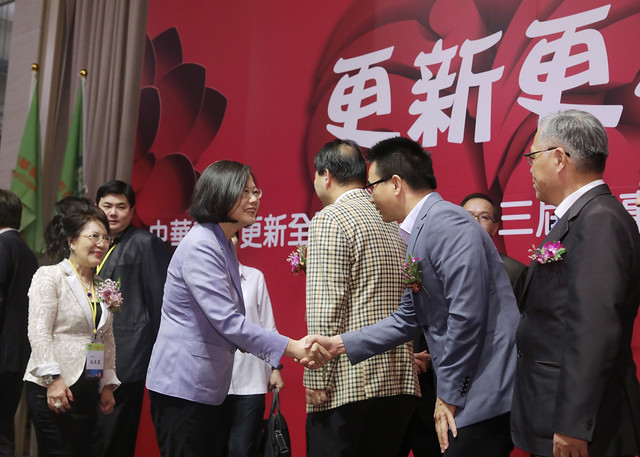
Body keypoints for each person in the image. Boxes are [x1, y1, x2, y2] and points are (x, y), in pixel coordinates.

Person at [304, 136, 519, 457]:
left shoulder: (446, 223)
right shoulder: (418, 230)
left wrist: (448, 395)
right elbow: (407, 318)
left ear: (395, 184)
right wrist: (339, 344)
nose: (369, 196)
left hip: (480, 388)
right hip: (465, 390)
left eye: (372, 186)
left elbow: (467, 315)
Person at [146, 160, 329, 457]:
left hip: (206, 385)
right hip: (183, 384)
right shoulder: (202, 244)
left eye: (256, 191)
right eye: (245, 191)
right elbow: (228, 321)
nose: (254, 199)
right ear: (220, 193)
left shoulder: (222, 242)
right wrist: (292, 347)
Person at [512, 110, 640, 457]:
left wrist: (573, 423)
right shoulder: (582, 217)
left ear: (558, 158)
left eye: (533, 157)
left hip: (582, 426)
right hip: (553, 409)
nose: (530, 168)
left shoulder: (599, 220)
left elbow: (593, 329)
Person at [304, 139, 419, 457]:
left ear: (326, 176)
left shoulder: (330, 218)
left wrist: (315, 374)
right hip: (399, 383)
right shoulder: (392, 221)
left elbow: (325, 307)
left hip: (348, 385)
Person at [24, 205, 120, 457]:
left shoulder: (103, 286)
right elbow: (39, 331)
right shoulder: (50, 276)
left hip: (89, 384)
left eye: (106, 238)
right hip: (56, 385)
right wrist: (53, 379)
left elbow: (105, 337)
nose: (101, 243)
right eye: (94, 236)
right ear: (72, 241)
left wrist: (107, 384)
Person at [92, 180, 170, 457]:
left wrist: (160, 355)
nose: (113, 213)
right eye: (107, 206)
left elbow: (159, 303)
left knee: (116, 434)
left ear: (132, 211)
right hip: (92, 351)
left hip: (128, 354)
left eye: (121, 207)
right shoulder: (92, 244)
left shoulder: (145, 243)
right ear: (97, 207)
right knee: (93, 432)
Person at [213, 232, 284, 457]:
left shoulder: (255, 278)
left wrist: (275, 368)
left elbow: (268, 327)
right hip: (213, 381)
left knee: (243, 449)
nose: (226, 241)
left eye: (231, 236)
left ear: (238, 240)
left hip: (251, 380)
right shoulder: (206, 281)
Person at [0, 190, 38, 457]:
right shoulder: (26, 251)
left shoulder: (2, 246)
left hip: (2, 355)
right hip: (16, 357)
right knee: (4, 430)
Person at [460, 193, 527, 299]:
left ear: (495, 228)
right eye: (468, 215)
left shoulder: (514, 272)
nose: (475, 221)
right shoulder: (440, 264)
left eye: (484, 217)